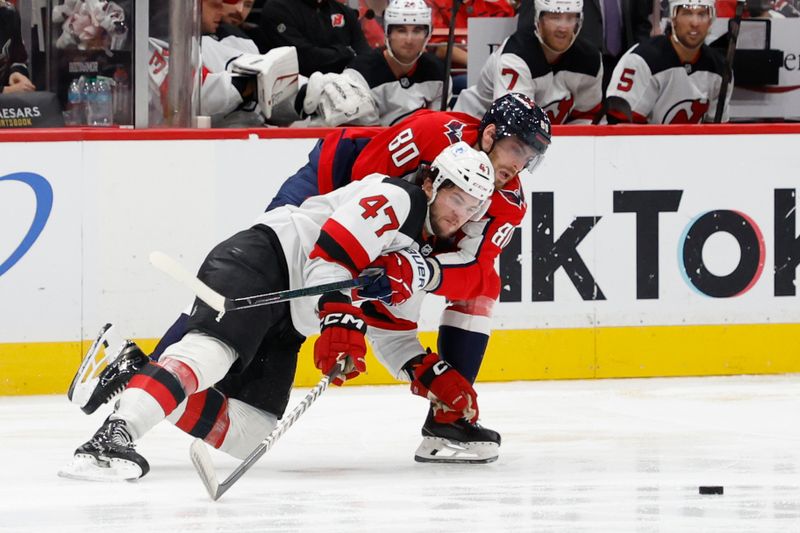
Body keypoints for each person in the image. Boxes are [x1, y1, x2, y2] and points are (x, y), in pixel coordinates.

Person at [69, 94, 551, 465]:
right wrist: (342, 317)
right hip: (312, 215)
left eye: (474, 210)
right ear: (436, 179)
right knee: (219, 348)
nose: (464, 218)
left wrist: (427, 370)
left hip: (322, 286)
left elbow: (448, 293)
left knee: (251, 429)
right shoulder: (413, 172)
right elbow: (345, 227)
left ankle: (140, 374)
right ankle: (120, 429)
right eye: (458, 202)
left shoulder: (418, 249)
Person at [454, 0, 603, 124]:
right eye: (554, 17)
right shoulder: (515, 57)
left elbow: (586, 115)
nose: (563, 28)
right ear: (539, 20)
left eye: (570, 18)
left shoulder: (590, 60)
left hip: (535, 141)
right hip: (475, 126)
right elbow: (512, 123)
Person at [310, 0, 448, 127]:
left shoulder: (439, 73)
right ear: (387, 32)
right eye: (401, 31)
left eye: (417, 31)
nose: (409, 40)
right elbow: (361, 139)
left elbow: (438, 130)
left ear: (428, 34)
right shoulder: (359, 74)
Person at [605, 0, 728, 124]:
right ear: (673, 18)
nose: (695, 23)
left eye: (702, 14)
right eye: (686, 13)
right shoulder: (642, 60)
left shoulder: (720, 68)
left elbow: (716, 134)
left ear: (711, 20)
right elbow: (620, 128)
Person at [518, 0, 652, 92]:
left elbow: (641, 22)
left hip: (624, 66)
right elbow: (528, 28)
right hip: (572, 66)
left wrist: (640, 61)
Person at [259, 0, 371, 77]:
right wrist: (346, 53)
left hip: (348, 90)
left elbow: (365, 58)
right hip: (295, 95)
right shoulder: (278, 8)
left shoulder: (345, 12)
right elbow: (303, 58)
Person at [0, 0, 35, 95]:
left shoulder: (10, 13)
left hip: (7, 106)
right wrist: (5, 91)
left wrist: (16, 73)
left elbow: (19, 60)